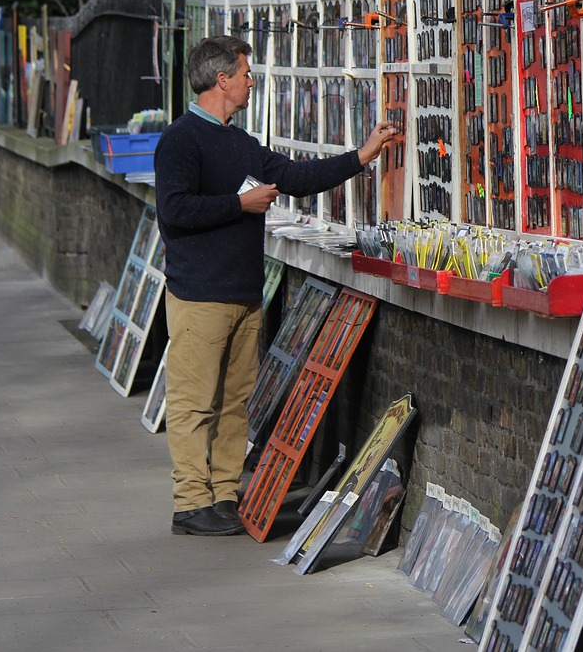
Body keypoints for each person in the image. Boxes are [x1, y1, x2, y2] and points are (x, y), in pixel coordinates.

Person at [154, 35, 400, 536]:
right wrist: (238, 205)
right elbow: (174, 211)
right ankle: (189, 503)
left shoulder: (241, 143)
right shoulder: (180, 140)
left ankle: (223, 494)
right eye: (245, 73)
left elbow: (295, 176)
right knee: (193, 401)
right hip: (198, 295)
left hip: (243, 295)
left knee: (235, 400)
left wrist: (362, 155)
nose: (251, 81)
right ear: (221, 80)